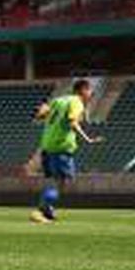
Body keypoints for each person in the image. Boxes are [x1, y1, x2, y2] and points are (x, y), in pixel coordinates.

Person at [30, 77, 99, 224]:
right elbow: (72, 121)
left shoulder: (59, 100)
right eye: (90, 90)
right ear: (83, 90)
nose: (91, 93)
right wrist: (88, 139)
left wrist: (40, 112)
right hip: (61, 146)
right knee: (61, 182)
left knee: (53, 180)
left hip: (47, 145)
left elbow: (42, 114)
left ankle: (48, 211)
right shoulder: (77, 103)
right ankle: (39, 211)